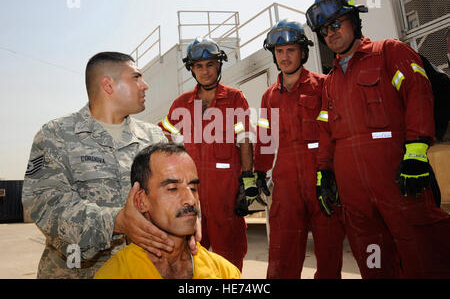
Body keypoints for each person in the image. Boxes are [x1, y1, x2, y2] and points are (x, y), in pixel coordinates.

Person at [306, 0, 450, 278]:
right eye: (324, 30)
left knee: (425, 259)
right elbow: (326, 131)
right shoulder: (330, 81)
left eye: (336, 24)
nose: (330, 33)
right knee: (374, 264)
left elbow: (419, 96)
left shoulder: (389, 52)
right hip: (355, 200)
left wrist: (417, 153)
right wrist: (324, 174)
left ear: (355, 21)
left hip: (399, 184)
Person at [22, 52, 200, 279]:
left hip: (143, 271)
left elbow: (183, 188)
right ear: (108, 85)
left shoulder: (154, 137)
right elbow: (43, 204)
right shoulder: (56, 135)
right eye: (136, 77)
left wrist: (192, 218)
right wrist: (116, 221)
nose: (145, 85)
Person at [253, 19, 345, 279]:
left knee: (329, 251)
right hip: (286, 185)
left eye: (290, 50)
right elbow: (265, 137)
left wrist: (331, 173)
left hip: (321, 178)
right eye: (279, 51)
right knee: (282, 254)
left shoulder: (324, 84)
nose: (284, 56)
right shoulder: (268, 96)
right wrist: (259, 171)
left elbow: (334, 132)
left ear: (303, 52)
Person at [159, 37, 255, 271]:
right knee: (190, 256)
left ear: (219, 65)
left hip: (226, 191)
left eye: (210, 64)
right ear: (192, 69)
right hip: (191, 193)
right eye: (199, 66)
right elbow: (164, 135)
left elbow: (244, 140)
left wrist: (247, 178)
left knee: (229, 255)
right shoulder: (182, 103)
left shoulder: (234, 98)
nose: (205, 71)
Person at [94, 143, 241, 279]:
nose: (190, 200)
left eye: (193, 188)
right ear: (141, 200)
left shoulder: (225, 273)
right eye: (172, 189)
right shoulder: (116, 273)